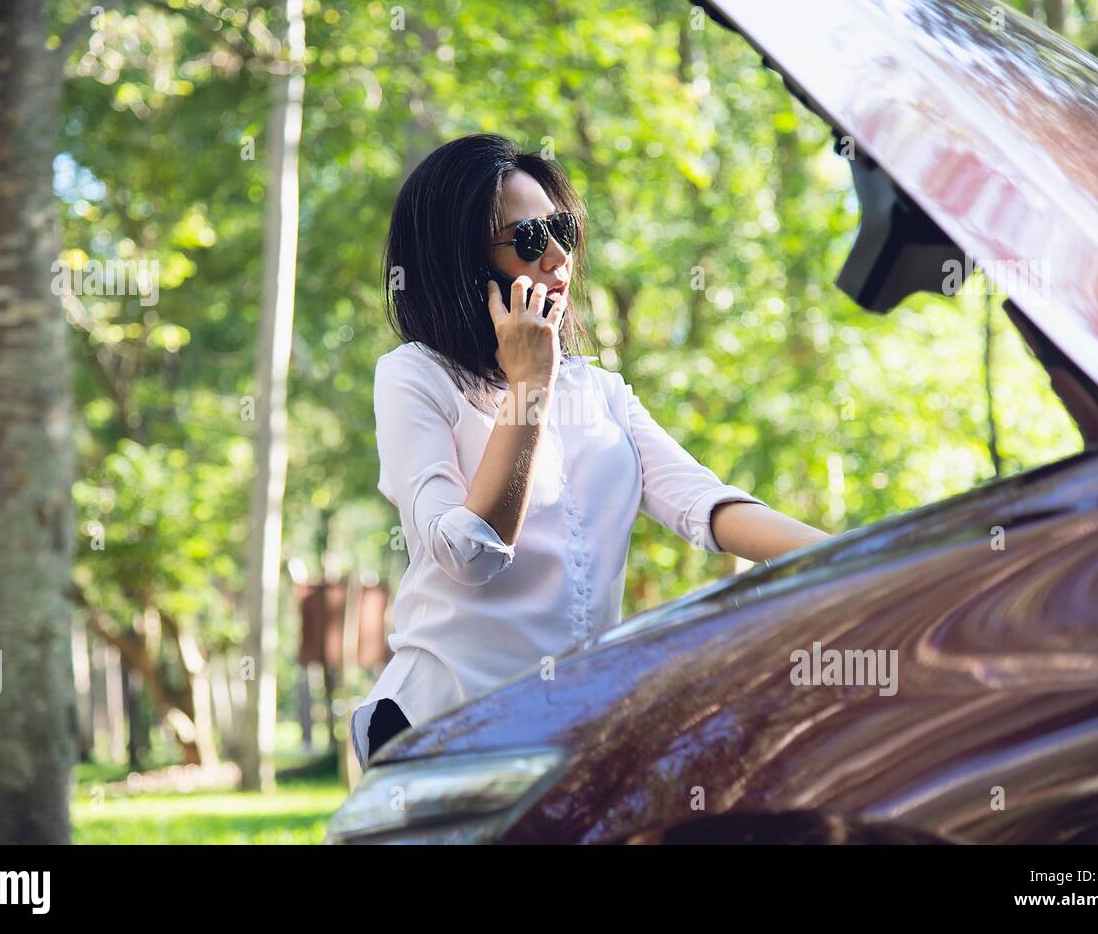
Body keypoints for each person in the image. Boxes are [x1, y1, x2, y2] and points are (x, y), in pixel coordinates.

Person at [353, 133, 829, 769]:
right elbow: (467, 553)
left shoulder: (600, 390)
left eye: (563, 230)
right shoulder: (415, 376)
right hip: (444, 730)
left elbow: (706, 507)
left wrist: (873, 559)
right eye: (528, 239)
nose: (557, 258)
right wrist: (529, 385)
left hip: (573, 737)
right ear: (463, 263)